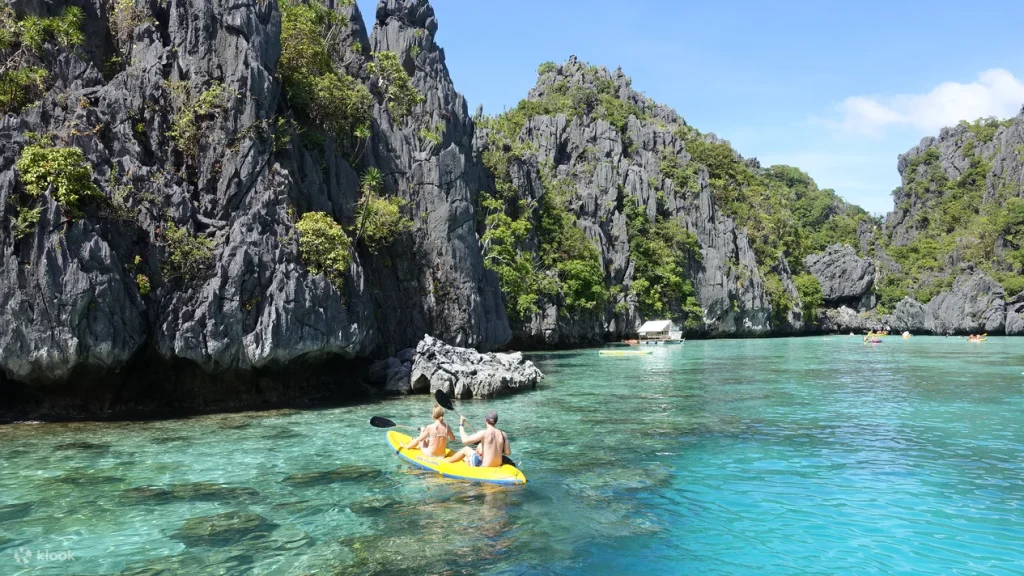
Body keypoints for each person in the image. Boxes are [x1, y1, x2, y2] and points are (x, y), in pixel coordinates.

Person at [445, 410, 510, 468]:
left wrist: (461, 424)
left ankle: (447, 463)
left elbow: (464, 441)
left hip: (484, 466)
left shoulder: (484, 433)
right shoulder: (503, 434)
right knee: (479, 447)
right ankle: (467, 460)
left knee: (466, 449)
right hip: (498, 465)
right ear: (496, 421)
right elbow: (508, 452)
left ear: (485, 420)